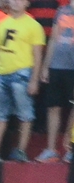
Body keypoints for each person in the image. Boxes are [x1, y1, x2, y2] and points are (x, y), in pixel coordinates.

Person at [0, 0, 44, 163]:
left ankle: (20, 150)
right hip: (0, 73)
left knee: (25, 114)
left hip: (22, 73)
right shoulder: (1, 23)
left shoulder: (33, 25)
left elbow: (38, 55)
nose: (16, 2)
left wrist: (34, 79)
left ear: (27, 3)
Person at [38, 0, 74, 161]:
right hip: (56, 66)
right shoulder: (61, 10)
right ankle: (51, 148)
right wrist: (46, 65)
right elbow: (53, 38)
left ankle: (70, 149)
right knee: (53, 106)